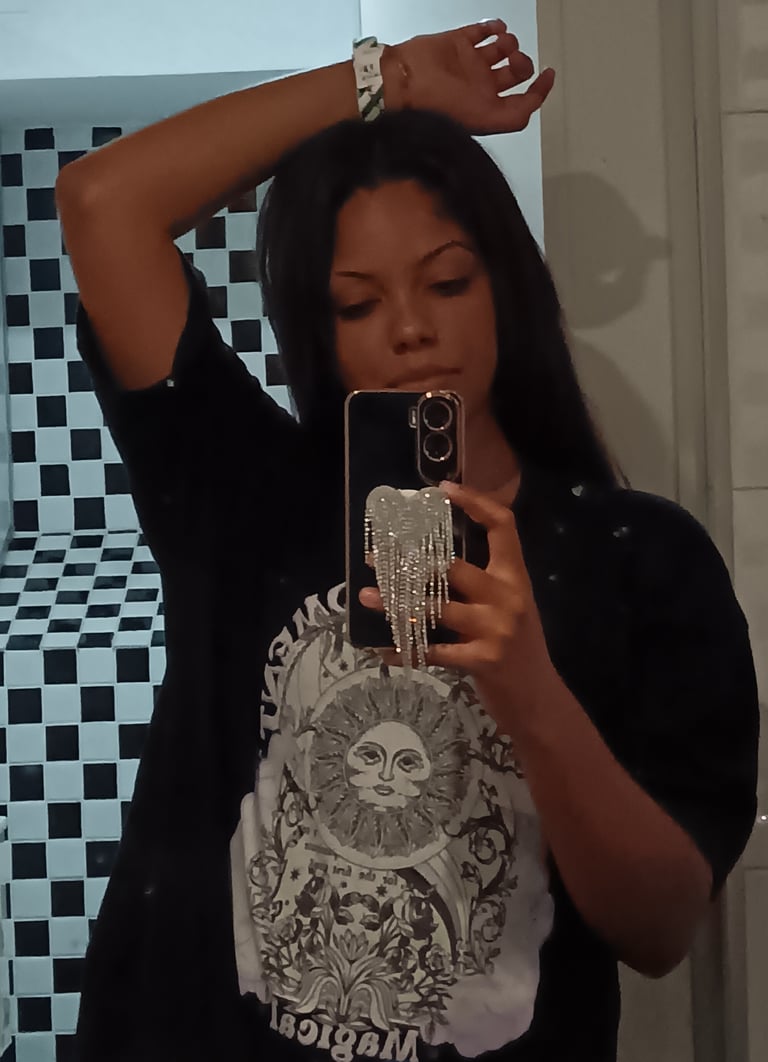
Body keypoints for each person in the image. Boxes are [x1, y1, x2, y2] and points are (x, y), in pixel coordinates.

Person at [54, 19, 759, 1062]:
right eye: (357, 302)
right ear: (317, 327)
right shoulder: (244, 496)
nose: (410, 329)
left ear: (506, 287)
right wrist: (391, 78)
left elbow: (659, 929)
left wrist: (529, 690)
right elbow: (103, 203)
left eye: (448, 282)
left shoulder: (639, 559)